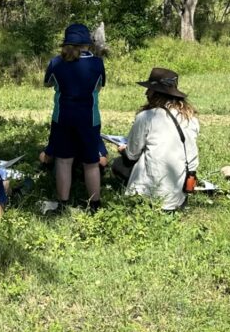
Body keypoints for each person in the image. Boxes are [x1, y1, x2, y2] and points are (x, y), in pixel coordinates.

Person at [42, 23, 106, 213]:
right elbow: (98, 87)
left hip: (63, 117)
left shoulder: (56, 63)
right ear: (87, 43)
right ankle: (94, 205)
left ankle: (63, 203)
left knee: (63, 160)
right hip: (89, 119)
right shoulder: (97, 63)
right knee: (91, 162)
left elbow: (47, 83)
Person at [120, 68, 200, 212]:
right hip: (178, 194)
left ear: (156, 93)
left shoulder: (146, 117)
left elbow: (132, 154)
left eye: (149, 90)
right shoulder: (190, 117)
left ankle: (139, 198)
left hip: (152, 196)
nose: (146, 93)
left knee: (119, 164)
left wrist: (123, 149)